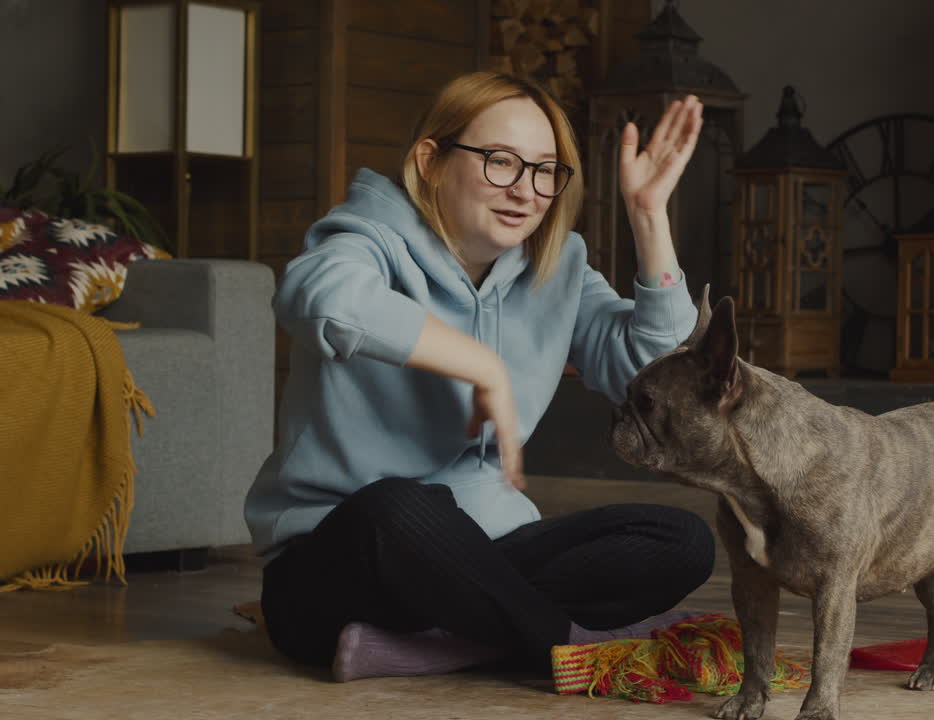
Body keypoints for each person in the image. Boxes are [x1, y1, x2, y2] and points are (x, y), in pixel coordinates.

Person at [243, 71, 715, 683]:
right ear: (431, 160)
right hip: (335, 569)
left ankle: (442, 646)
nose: (527, 190)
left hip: (481, 556)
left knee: (680, 539)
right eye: (501, 162)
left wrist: (649, 218)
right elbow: (318, 295)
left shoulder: (557, 264)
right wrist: (478, 363)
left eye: (546, 170)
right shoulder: (366, 237)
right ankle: (563, 648)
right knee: (397, 506)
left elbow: (656, 384)